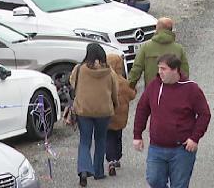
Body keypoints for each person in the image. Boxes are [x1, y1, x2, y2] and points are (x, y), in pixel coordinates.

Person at [132, 54, 211, 188]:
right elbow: (142, 109)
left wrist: (195, 138)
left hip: (182, 149)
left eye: (164, 69)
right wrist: (137, 135)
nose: (159, 72)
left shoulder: (191, 89)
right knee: (153, 180)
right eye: (159, 68)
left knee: (179, 185)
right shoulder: (154, 86)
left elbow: (204, 114)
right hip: (157, 147)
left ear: (175, 70)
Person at [69, 43, 118, 186]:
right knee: (101, 139)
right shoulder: (109, 71)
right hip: (104, 111)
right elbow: (115, 91)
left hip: (84, 111)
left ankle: (83, 171)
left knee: (85, 141)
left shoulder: (79, 69)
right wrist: (115, 104)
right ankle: (98, 172)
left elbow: (73, 84)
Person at [128, 17, 190, 89]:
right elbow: (185, 73)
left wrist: (129, 88)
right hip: (174, 93)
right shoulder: (179, 49)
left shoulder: (146, 47)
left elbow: (136, 70)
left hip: (152, 92)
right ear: (171, 30)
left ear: (157, 29)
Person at [106, 53, 137, 177]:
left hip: (108, 115)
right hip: (121, 116)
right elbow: (132, 95)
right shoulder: (124, 82)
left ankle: (110, 161)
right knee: (118, 136)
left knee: (108, 138)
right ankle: (117, 157)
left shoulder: (105, 80)